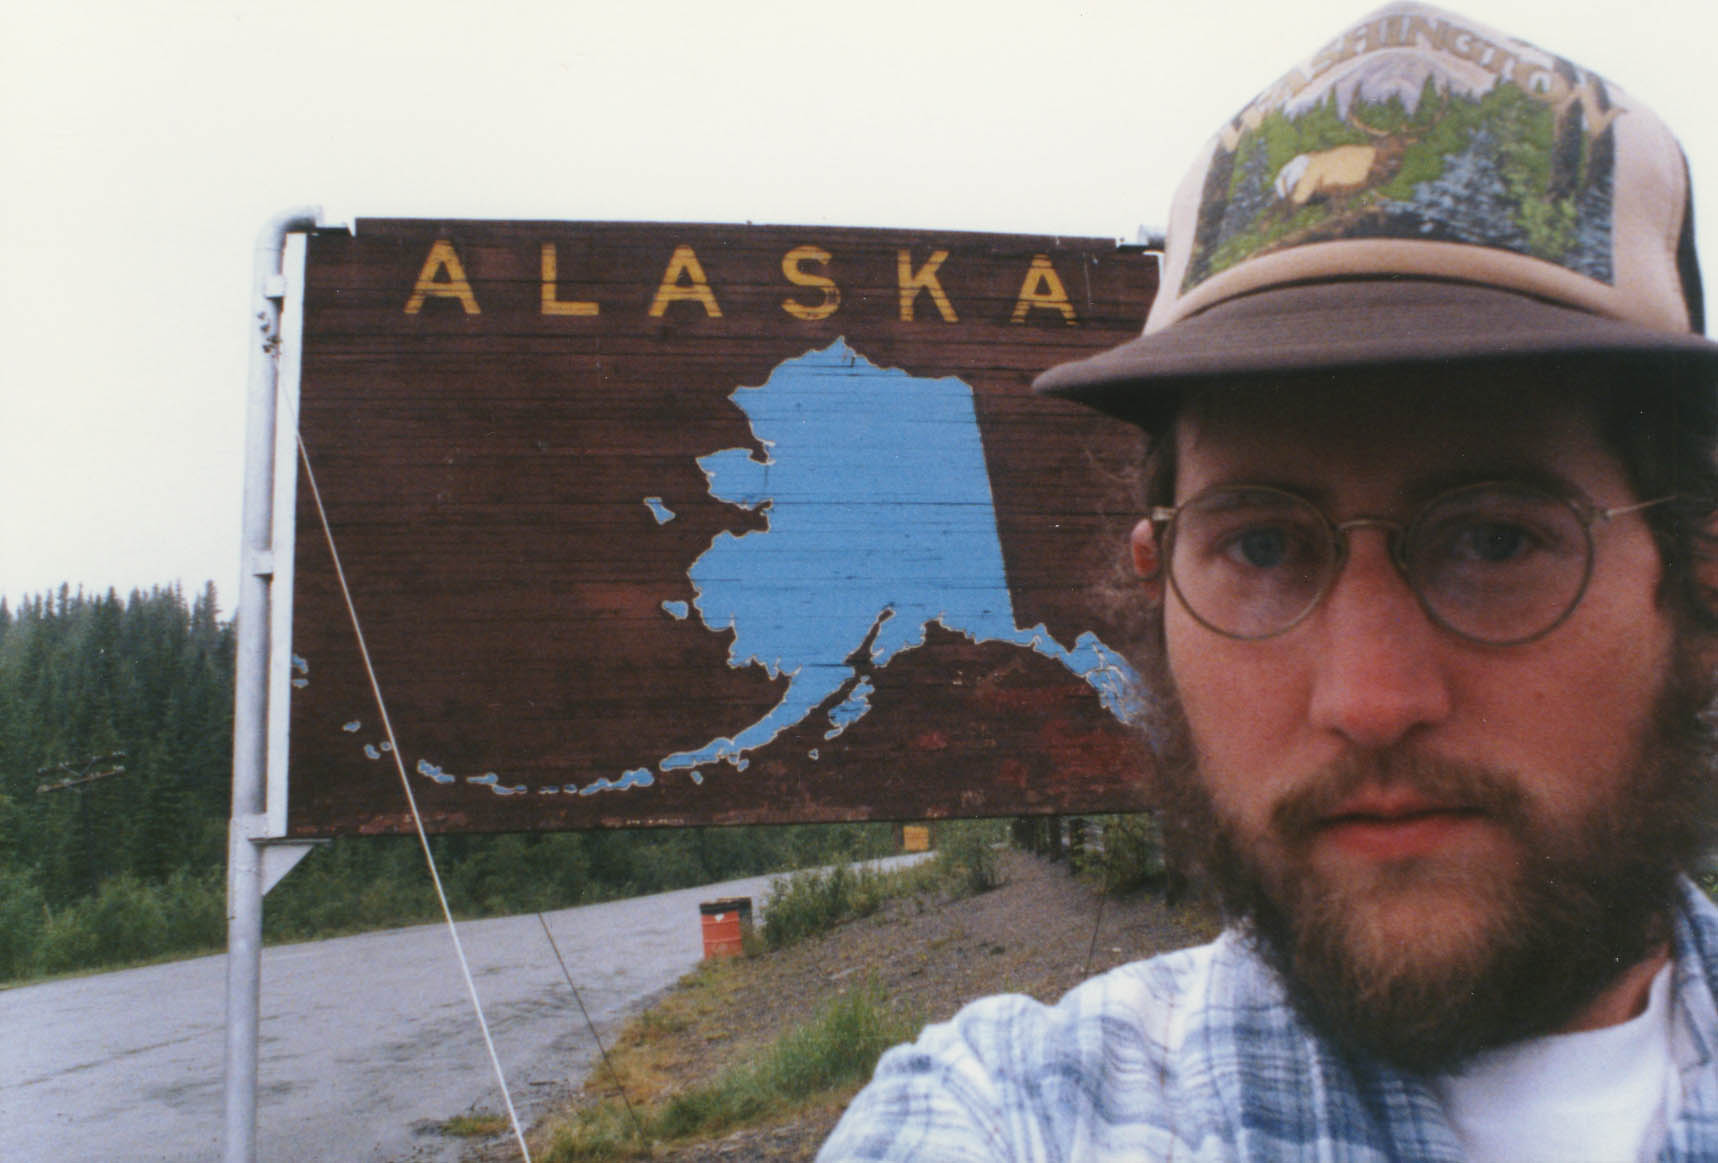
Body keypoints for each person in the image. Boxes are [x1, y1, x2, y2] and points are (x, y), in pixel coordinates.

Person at [817, 3, 1718, 1160]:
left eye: (1494, 540)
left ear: (1695, 584)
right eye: (1259, 546)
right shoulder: (1011, 1115)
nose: (1368, 697)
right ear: (1157, 582)